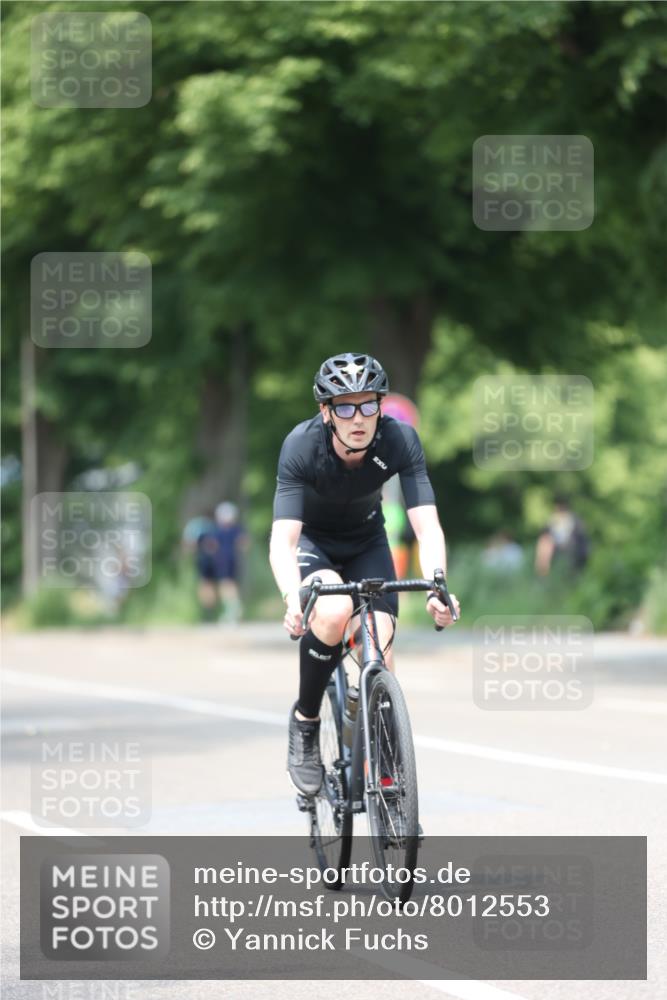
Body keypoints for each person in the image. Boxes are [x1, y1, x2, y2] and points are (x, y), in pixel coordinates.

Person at [269, 352, 460, 795]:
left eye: (368, 405)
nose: (359, 418)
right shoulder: (301, 446)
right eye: (345, 406)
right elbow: (284, 541)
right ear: (326, 412)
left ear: (380, 405)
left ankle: (387, 762)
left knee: (379, 637)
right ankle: (306, 721)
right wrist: (291, 595)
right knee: (334, 613)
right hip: (314, 544)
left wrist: (438, 584)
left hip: (366, 542)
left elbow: (426, 524)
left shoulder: (399, 441)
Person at [196, 502, 247, 622]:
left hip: (223, 559)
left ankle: (233, 609)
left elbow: (211, 545)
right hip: (233, 558)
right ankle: (233, 608)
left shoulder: (217, 531)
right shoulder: (237, 529)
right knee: (231, 583)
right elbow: (244, 543)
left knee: (226, 585)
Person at [535, 496, 590, 577]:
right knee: (544, 542)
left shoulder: (573, 519)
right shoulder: (553, 519)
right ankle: (542, 572)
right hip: (556, 545)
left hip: (570, 545)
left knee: (546, 544)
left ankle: (543, 574)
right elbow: (545, 532)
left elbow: (579, 535)